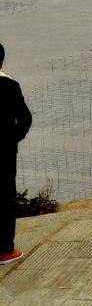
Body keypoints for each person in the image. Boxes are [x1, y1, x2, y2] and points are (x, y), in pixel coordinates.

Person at [0, 42, 32, 265]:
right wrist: (13, 138)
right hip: (3, 154)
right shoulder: (10, 86)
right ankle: (4, 250)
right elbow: (25, 119)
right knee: (4, 199)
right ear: (1, 61)